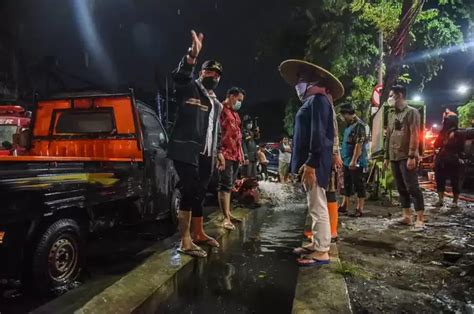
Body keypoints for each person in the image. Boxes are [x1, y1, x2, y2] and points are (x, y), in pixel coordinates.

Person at [279, 59, 345, 266]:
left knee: (318, 205)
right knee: (314, 204)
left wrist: (311, 163)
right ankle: (317, 243)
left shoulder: (318, 100)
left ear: (310, 82)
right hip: (312, 161)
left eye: (300, 80)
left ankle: (322, 250)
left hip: (314, 162)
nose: (297, 84)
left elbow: (319, 135)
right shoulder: (313, 101)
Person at [167, 30, 225, 258]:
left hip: (206, 153)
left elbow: (215, 130)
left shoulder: (216, 102)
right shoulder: (190, 87)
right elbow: (180, 76)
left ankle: (199, 233)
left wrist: (218, 151)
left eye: (218, 74)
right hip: (186, 148)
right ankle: (185, 241)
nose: (214, 76)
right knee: (190, 191)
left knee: (199, 192)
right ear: (201, 72)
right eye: (210, 71)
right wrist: (192, 55)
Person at [384, 85, 425, 229]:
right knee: (401, 187)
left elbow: (415, 134)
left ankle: (420, 218)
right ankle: (406, 216)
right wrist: (386, 157)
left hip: (406, 155)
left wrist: (412, 155)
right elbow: (388, 135)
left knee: (412, 187)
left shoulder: (412, 113)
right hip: (394, 156)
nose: (389, 98)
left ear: (399, 95)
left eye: (391, 95)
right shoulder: (390, 114)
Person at [218, 87, 246, 231]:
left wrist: (241, 154)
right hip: (225, 153)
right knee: (225, 185)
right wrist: (219, 152)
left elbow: (238, 136)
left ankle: (228, 213)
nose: (239, 103)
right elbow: (216, 131)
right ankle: (225, 218)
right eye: (238, 100)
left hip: (235, 154)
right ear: (231, 96)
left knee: (230, 186)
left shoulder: (235, 114)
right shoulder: (220, 109)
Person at [433, 113, 474, 207]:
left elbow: (437, 144)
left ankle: (448, 201)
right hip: (447, 160)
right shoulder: (447, 132)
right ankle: (446, 201)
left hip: (450, 160)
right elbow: (436, 144)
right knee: (445, 180)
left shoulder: (457, 133)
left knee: (450, 180)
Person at [338, 103, 369, 217]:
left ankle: (359, 208)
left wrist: (354, 160)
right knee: (347, 184)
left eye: (342, 115)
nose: (342, 118)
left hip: (356, 161)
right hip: (346, 160)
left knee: (358, 184)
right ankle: (344, 205)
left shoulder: (359, 125)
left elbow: (359, 144)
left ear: (347, 114)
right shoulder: (348, 125)